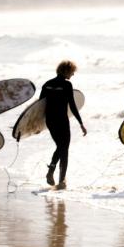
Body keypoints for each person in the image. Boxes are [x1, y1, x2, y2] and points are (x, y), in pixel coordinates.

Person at [42, 60, 87, 190]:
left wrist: (37, 125)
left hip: (50, 121)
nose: (73, 75)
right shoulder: (67, 85)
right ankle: (61, 181)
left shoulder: (47, 84)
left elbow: (39, 106)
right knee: (64, 148)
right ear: (67, 71)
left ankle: (51, 170)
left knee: (60, 146)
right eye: (72, 72)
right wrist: (81, 123)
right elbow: (72, 106)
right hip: (62, 120)